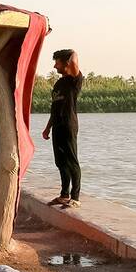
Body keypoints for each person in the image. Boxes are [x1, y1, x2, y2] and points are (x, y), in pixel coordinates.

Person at [42, 49, 83, 208]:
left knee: (72, 160)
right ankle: (64, 194)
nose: (54, 65)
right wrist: (47, 128)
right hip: (57, 125)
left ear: (66, 63)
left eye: (57, 62)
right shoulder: (59, 83)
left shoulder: (74, 80)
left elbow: (74, 58)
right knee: (60, 161)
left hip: (68, 125)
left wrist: (71, 53)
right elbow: (55, 108)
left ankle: (75, 197)